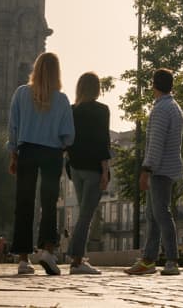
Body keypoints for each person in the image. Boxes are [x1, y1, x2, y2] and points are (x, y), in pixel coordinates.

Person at [8, 52, 75, 276]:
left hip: (26, 150)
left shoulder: (21, 94)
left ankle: (23, 258)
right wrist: (60, 145)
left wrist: (14, 155)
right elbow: (69, 135)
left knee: (24, 203)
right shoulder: (62, 99)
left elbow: (13, 128)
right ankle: (47, 250)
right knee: (49, 203)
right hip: (51, 153)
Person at [125, 69, 183, 276]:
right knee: (153, 215)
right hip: (168, 167)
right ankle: (149, 259)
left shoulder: (161, 109)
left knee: (161, 213)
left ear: (154, 85)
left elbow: (156, 143)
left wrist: (146, 169)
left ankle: (171, 260)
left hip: (160, 169)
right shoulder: (175, 108)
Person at [66, 72, 111, 275]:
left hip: (75, 167)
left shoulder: (71, 110)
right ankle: (76, 260)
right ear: (97, 89)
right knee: (86, 215)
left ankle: (78, 257)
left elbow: (67, 139)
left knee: (83, 213)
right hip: (93, 168)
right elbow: (103, 141)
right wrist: (105, 170)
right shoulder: (102, 111)